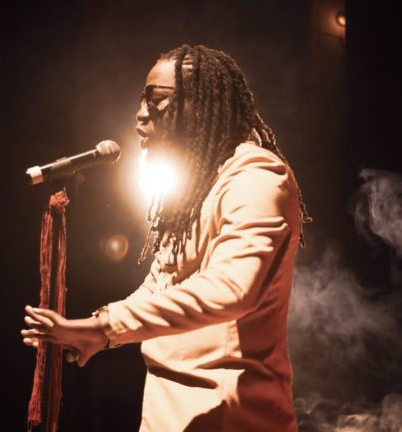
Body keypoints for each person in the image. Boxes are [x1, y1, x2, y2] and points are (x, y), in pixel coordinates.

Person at [21, 44, 310, 432]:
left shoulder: (257, 177)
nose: (141, 113)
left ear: (199, 102)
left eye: (155, 98)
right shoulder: (198, 188)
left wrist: (107, 326)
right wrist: (97, 331)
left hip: (231, 419)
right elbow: (161, 284)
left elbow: (230, 289)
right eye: (141, 99)